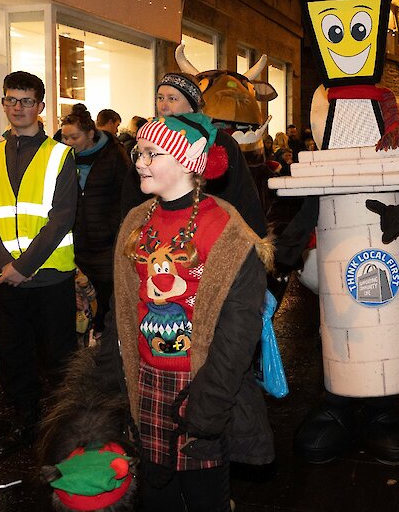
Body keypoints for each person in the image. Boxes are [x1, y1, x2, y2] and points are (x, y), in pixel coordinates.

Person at [98, 113, 274, 510]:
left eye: (151, 153)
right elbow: (120, 308)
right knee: (154, 495)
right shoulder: (135, 222)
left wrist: (208, 407)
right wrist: (109, 378)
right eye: (138, 152)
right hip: (143, 381)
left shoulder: (227, 230)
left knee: (205, 497)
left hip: (199, 389)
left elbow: (239, 330)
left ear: (188, 160)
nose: (139, 161)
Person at [0, 71, 78, 458]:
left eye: (26, 100)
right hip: (5, 279)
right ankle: (24, 420)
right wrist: (1, 265)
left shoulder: (61, 155)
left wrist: (23, 267)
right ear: (2, 104)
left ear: (41, 106)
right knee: (14, 357)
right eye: (11, 100)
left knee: (60, 357)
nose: (18, 107)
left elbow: (62, 218)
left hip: (49, 277)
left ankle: (66, 427)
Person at [120, 72, 267, 237]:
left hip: (211, 233)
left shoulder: (220, 141)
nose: (164, 106)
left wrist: (253, 242)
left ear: (192, 105)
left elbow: (243, 196)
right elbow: (132, 195)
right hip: (159, 235)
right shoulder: (149, 141)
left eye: (172, 99)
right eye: (160, 98)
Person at [60, 105, 130, 335]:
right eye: (65, 137)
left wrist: (112, 228)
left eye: (74, 137)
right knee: (78, 302)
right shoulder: (60, 159)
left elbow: (125, 195)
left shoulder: (113, 155)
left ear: (90, 134)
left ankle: (104, 344)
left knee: (106, 299)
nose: (69, 142)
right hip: (73, 243)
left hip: (106, 244)